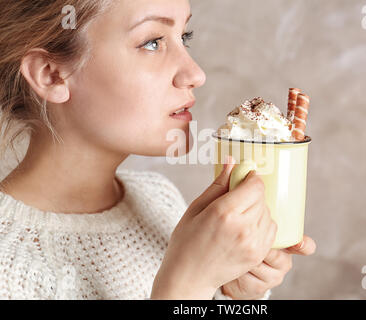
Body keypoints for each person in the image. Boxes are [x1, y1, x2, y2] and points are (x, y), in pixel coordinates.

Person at [0, 0, 316, 300]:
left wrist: (232, 293)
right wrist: (188, 285)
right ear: (51, 74)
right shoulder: (7, 267)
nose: (196, 74)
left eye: (184, 37)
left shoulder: (160, 199)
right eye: (152, 42)